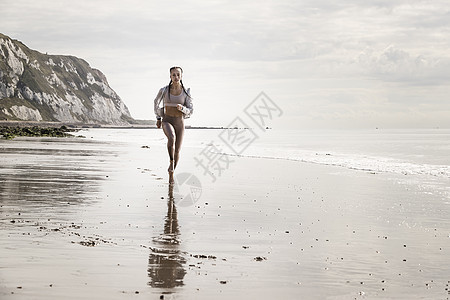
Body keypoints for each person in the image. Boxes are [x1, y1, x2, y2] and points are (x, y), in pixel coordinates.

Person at [154, 66, 193, 183]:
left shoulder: (186, 92)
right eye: (173, 75)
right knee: (171, 138)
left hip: (180, 123)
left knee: (177, 151)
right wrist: (158, 118)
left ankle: (171, 172)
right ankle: (171, 162)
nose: (176, 77)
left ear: (181, 76)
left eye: (178, 74)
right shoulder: (164, 90)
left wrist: (183, 109)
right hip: (167, 120)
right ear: (170, 76)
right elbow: (156, 102)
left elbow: (191, 110)